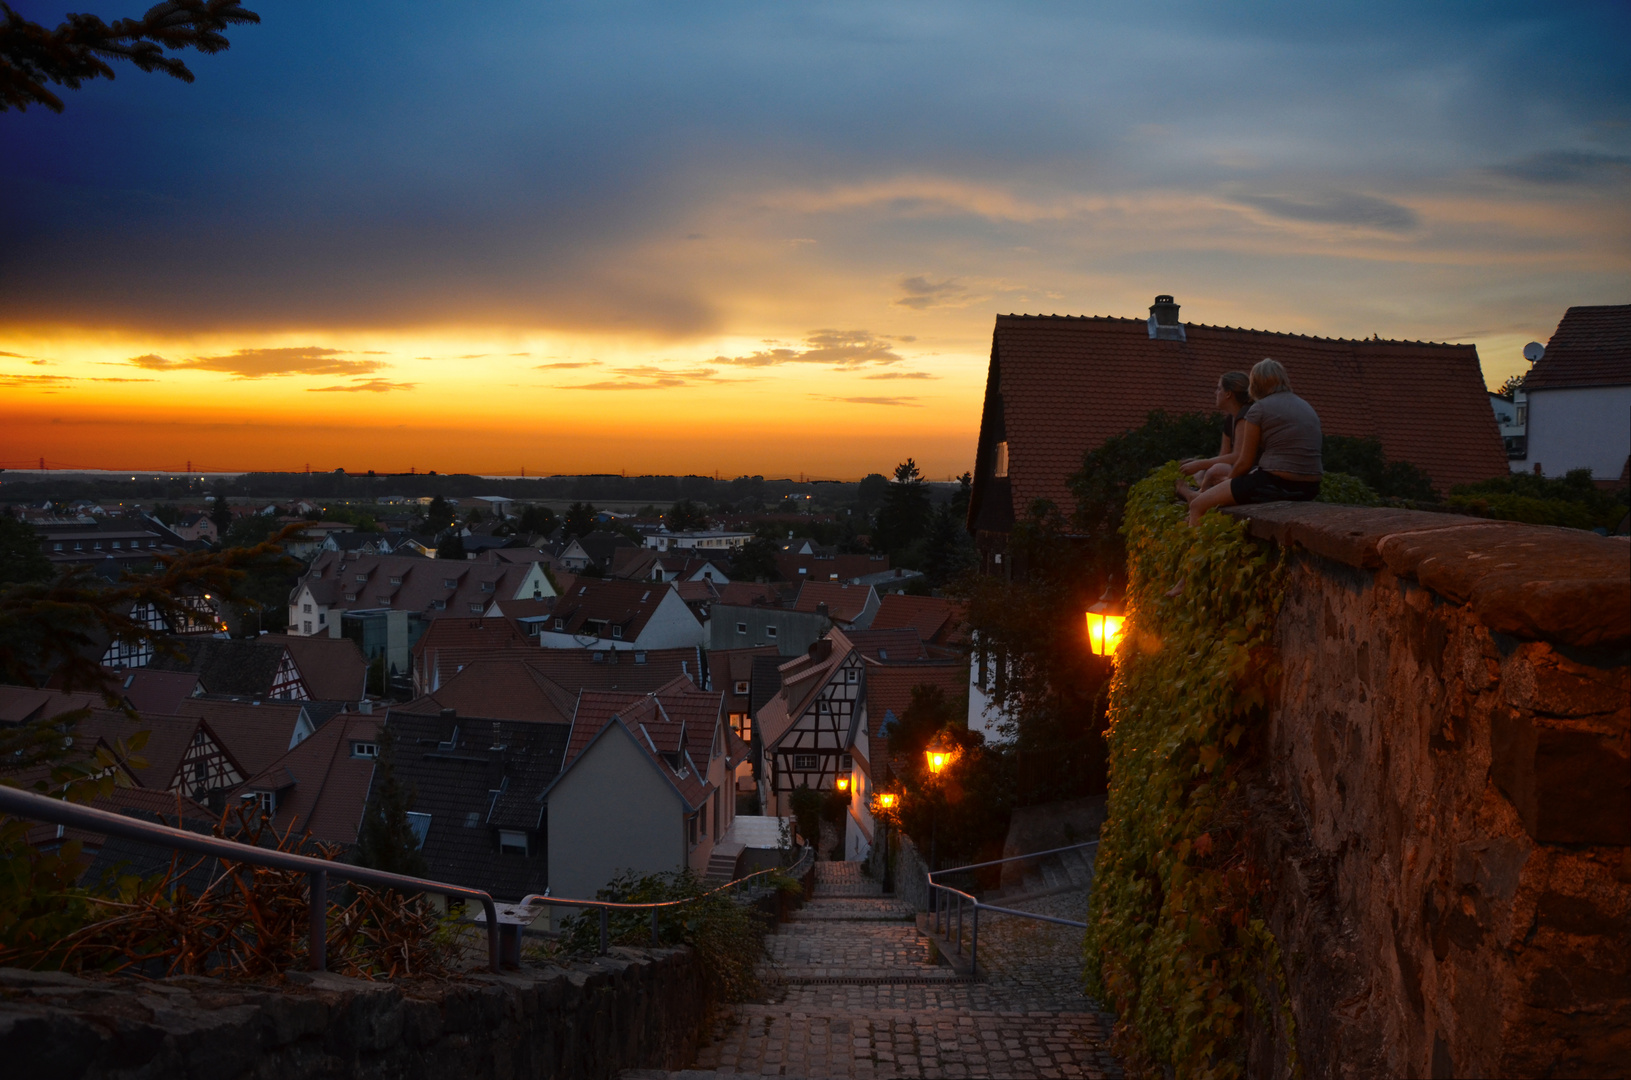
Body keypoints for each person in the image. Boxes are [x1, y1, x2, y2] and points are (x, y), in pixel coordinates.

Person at [1177, 358, 1322, 526]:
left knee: (1197, 506)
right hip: (1310, 487)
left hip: (1275, 483)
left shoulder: (1259, 409)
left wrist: (1229, 482)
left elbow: (1244, 462)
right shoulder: (1306, 406)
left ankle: (1194, 547)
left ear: (1256, 383)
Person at [1180, 371, 1252, 491]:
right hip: (1234, 469)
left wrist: (1200, 464)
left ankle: (1199, 494)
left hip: (1250, 469)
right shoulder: (1230, 419)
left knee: (1215, 470)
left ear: (1228, 394)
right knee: (1201, 473)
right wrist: (1198, 464)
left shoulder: (1245, 416)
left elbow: (1237, 456)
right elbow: (1224, 455)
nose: (1216, 393)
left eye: (1219, 389)